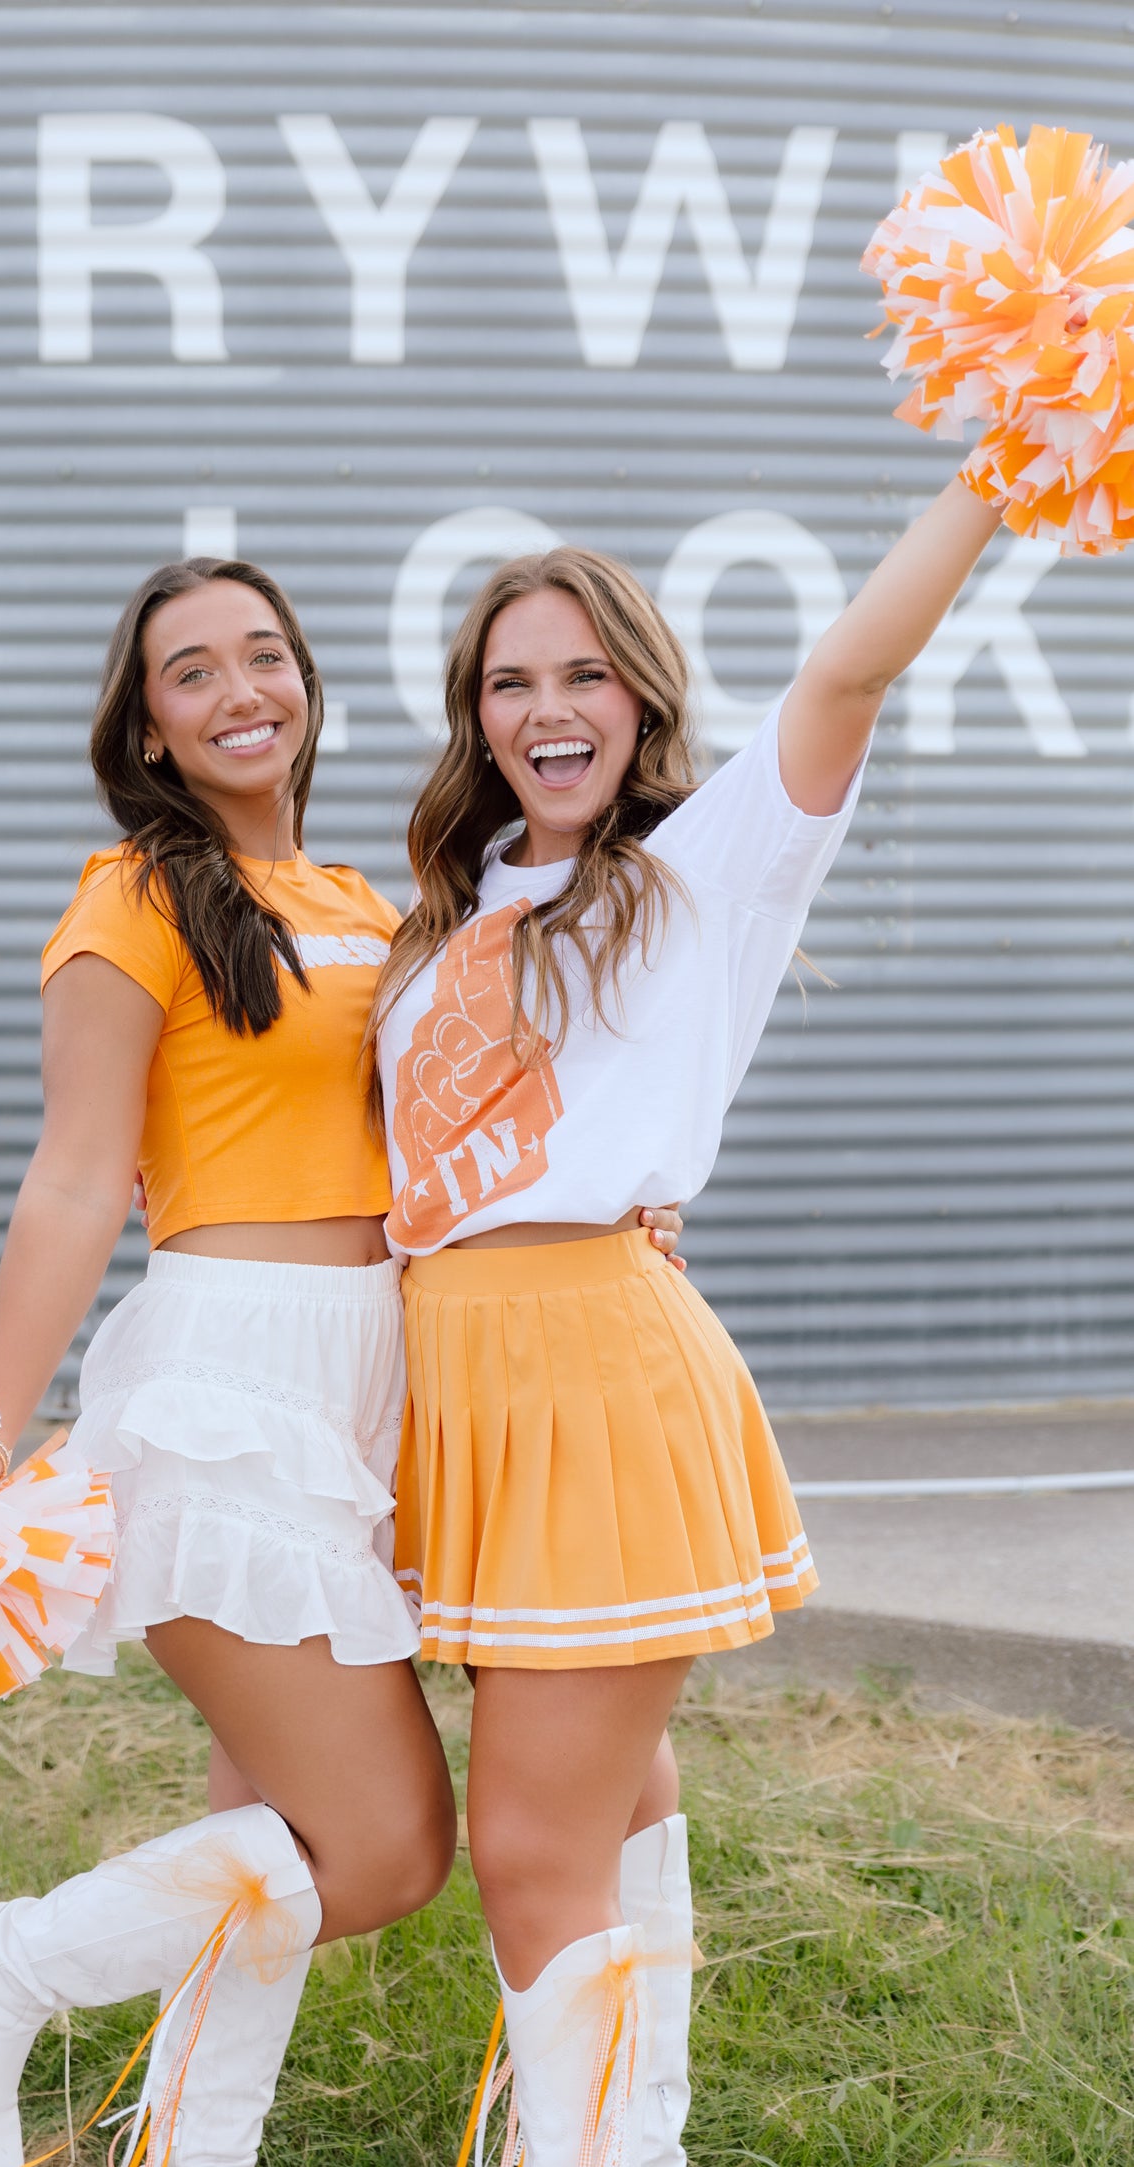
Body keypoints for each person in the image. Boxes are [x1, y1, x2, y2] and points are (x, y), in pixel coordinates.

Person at [0, 554, 686, 2167]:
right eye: (192, 672)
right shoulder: (132, 896)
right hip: (230, 1382)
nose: (241, 689)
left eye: (266, 654)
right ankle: (5, 1965)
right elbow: (70, 1174)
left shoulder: (375, 907)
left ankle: (189, 2140)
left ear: (309, 685)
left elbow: (480, 1127)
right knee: (386, 1848)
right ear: (152, 728)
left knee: (266, 1824)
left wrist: (620, 1205)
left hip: (388, 1391)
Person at [371, 476, 1006, 2164]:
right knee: (610, 1798)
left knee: (523, 1845)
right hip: (463, 1387)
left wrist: (992, 469)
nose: (546, 708)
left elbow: (845, 678)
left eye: (582, 674)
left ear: (638, 695)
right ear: (475, 722)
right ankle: (630, 2121)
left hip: (591, 1365)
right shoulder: (442, 925)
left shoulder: (698, 871)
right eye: (509, 682)